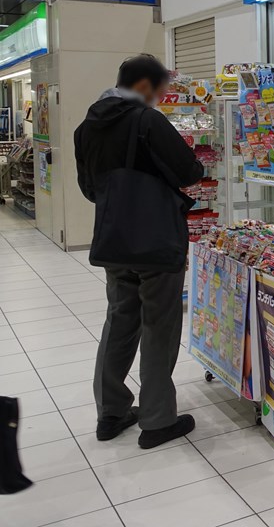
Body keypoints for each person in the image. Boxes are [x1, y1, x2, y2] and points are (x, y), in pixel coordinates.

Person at [75, 55, 204, 448]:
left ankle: (110, 413)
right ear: (146, 86)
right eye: (162, 89)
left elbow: (88, 189)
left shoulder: (87, 128)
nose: (163, 96)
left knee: (119, 319)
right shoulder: (148, 121)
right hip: (157, 239)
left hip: (113, 238)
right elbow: (190, 171)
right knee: (159, 326)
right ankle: (157, 420)